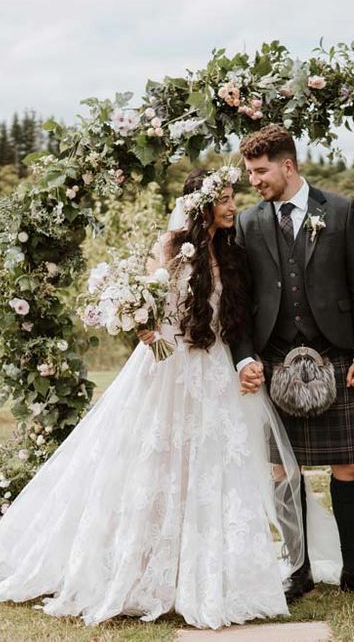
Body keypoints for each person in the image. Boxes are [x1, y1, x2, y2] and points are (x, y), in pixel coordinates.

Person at [0, 168, 306, 628]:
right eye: (223, 198)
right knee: (156, 464)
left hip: (215, 371)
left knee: (215, 470)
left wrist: (245, 362)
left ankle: (216, 574)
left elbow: (237, 323)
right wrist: (139, 323)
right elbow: (147, 302)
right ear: (201, 205)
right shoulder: (168, 248)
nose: (231, 205)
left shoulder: (235, 254)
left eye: (232, 196)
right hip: (166, 368)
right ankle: (144, 569)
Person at [233, 124, 354, 602]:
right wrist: (243, 359)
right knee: (283, 470)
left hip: (337, 356)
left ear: (287, 165)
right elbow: (237, 302)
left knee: (348, 465)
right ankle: (296, 569)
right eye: (250, 173)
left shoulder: (338, 210)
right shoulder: (247, 222)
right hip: (275, 360)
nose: (254, 180)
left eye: (260, 171)